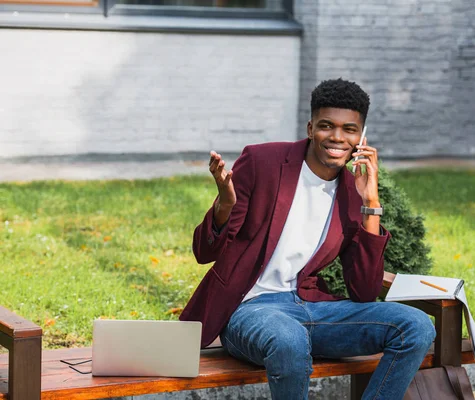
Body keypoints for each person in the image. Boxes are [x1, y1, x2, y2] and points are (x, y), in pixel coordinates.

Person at [180, 78, 436, 399]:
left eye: (349, 129)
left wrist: (371, 204)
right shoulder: (263, 163)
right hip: (249, 310)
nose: (338, 137)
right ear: (310, 127)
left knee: (416, 327)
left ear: (361, 137)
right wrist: (225, 205)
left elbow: (365, 289)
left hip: (312, 309)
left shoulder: (352, 190)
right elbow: (204, 251)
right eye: (327, 126)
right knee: (289, 339)